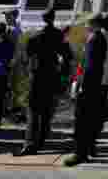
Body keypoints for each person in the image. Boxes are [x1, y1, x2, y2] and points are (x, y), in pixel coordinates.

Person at [17, 8, 74, 156]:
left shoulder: (36, 36)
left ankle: (30, 143)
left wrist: (30, 68)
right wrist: (63, 75)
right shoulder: (58, 36)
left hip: (37, 75)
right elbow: (68, 56)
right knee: (47, 110)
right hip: (52, 75)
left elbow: (27, 55)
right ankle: (41, 140)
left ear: (43, 19)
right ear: (53, 18)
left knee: (34, 110)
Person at [65, 15, 108, 167]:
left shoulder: (95, 39)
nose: (85, 25)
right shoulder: (97, 37)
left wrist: (82, 84)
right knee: (89, 118)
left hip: (89, 86)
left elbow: (90, 66)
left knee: (82, 120)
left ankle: (80, 153)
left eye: (87, 23)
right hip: (93, 85)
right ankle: (88, 149)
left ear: (93, 24)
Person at [91, 13, 108, 157]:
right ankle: (97, 134)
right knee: (101, 108)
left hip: (98, 77)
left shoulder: (101, 36)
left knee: (94, 110)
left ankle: (92, 141)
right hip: (107, 76)